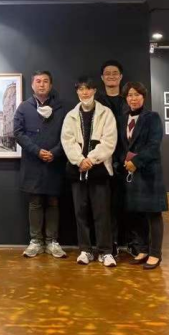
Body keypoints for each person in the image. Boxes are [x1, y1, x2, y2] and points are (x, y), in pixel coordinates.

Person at [61, 77, 117, 267]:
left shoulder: (106, 113)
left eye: (88, 89)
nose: (84, 93)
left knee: (102, 213)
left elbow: (109, 141)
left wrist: (91, 160)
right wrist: (80, 160)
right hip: (77, 170)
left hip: (99, 170)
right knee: (80, 212)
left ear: (94, 91)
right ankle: (85, 250)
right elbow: (67, 141)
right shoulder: (70, 116)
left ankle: (105, 252)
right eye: (81, 89)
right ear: (77, 92)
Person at [14, 71, 67, 259]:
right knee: (35, 202)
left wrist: (55, 152)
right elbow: (18, 133)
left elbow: (69, 134)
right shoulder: (24, 107)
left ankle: (52, 241)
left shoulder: (61, 108)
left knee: (53, 202)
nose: (42, 84)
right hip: (33, 162)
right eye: (38, 81)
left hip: (55, 162)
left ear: (51, 85)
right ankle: (35, 241)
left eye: (45, 81)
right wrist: (37, 151)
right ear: (32, 85)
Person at [118, 82, 168, 270]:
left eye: (137, 94)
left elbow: (154, 146)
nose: (133, 98)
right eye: (130, 95)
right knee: (137, 214)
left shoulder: (152, 117)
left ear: (144, 97)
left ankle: (155, 254)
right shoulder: (123, 119)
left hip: (148, 173)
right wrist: (124, 162)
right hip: (130, 173)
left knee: (153, 214)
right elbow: (121, 146)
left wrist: (136, 162)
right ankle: (143, 249)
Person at [95, 60, 134, 256]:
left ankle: (134, 242)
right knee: (107, 205)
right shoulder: (96, 101)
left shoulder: (129, 100)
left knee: (131, 203)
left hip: (128, 160)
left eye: (115, 73)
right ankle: (111, 243)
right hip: (104, 160)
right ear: (102, 78)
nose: (111, 76)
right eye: (107, 73)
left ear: (121, 76)